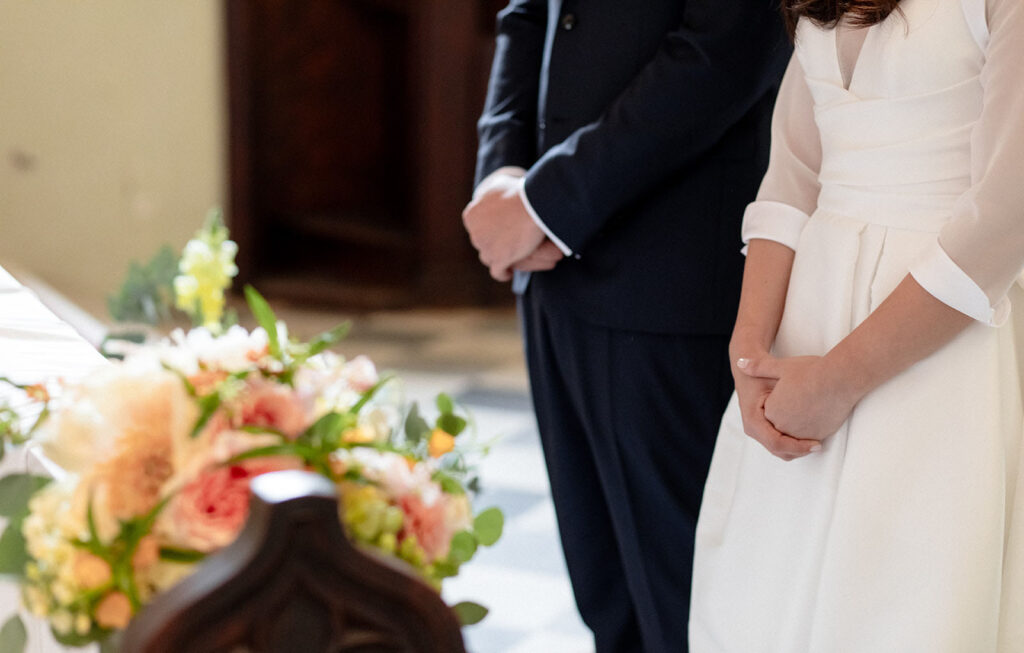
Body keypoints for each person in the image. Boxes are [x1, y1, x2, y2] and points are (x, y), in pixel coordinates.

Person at [690, 0, 1024, 650]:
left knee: (904, 598)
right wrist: (750, 347)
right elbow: (791, 175)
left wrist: (839, 380)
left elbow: (1006, 214)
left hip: (937, 337)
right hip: (803, 324)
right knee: (764, 595)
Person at [462, 2, 790, 651]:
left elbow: (724, 50)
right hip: (548, 275)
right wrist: (503, 171)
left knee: (686, 604)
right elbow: (526, 12)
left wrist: (548, 202)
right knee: (605, 596)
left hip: (664, 278)